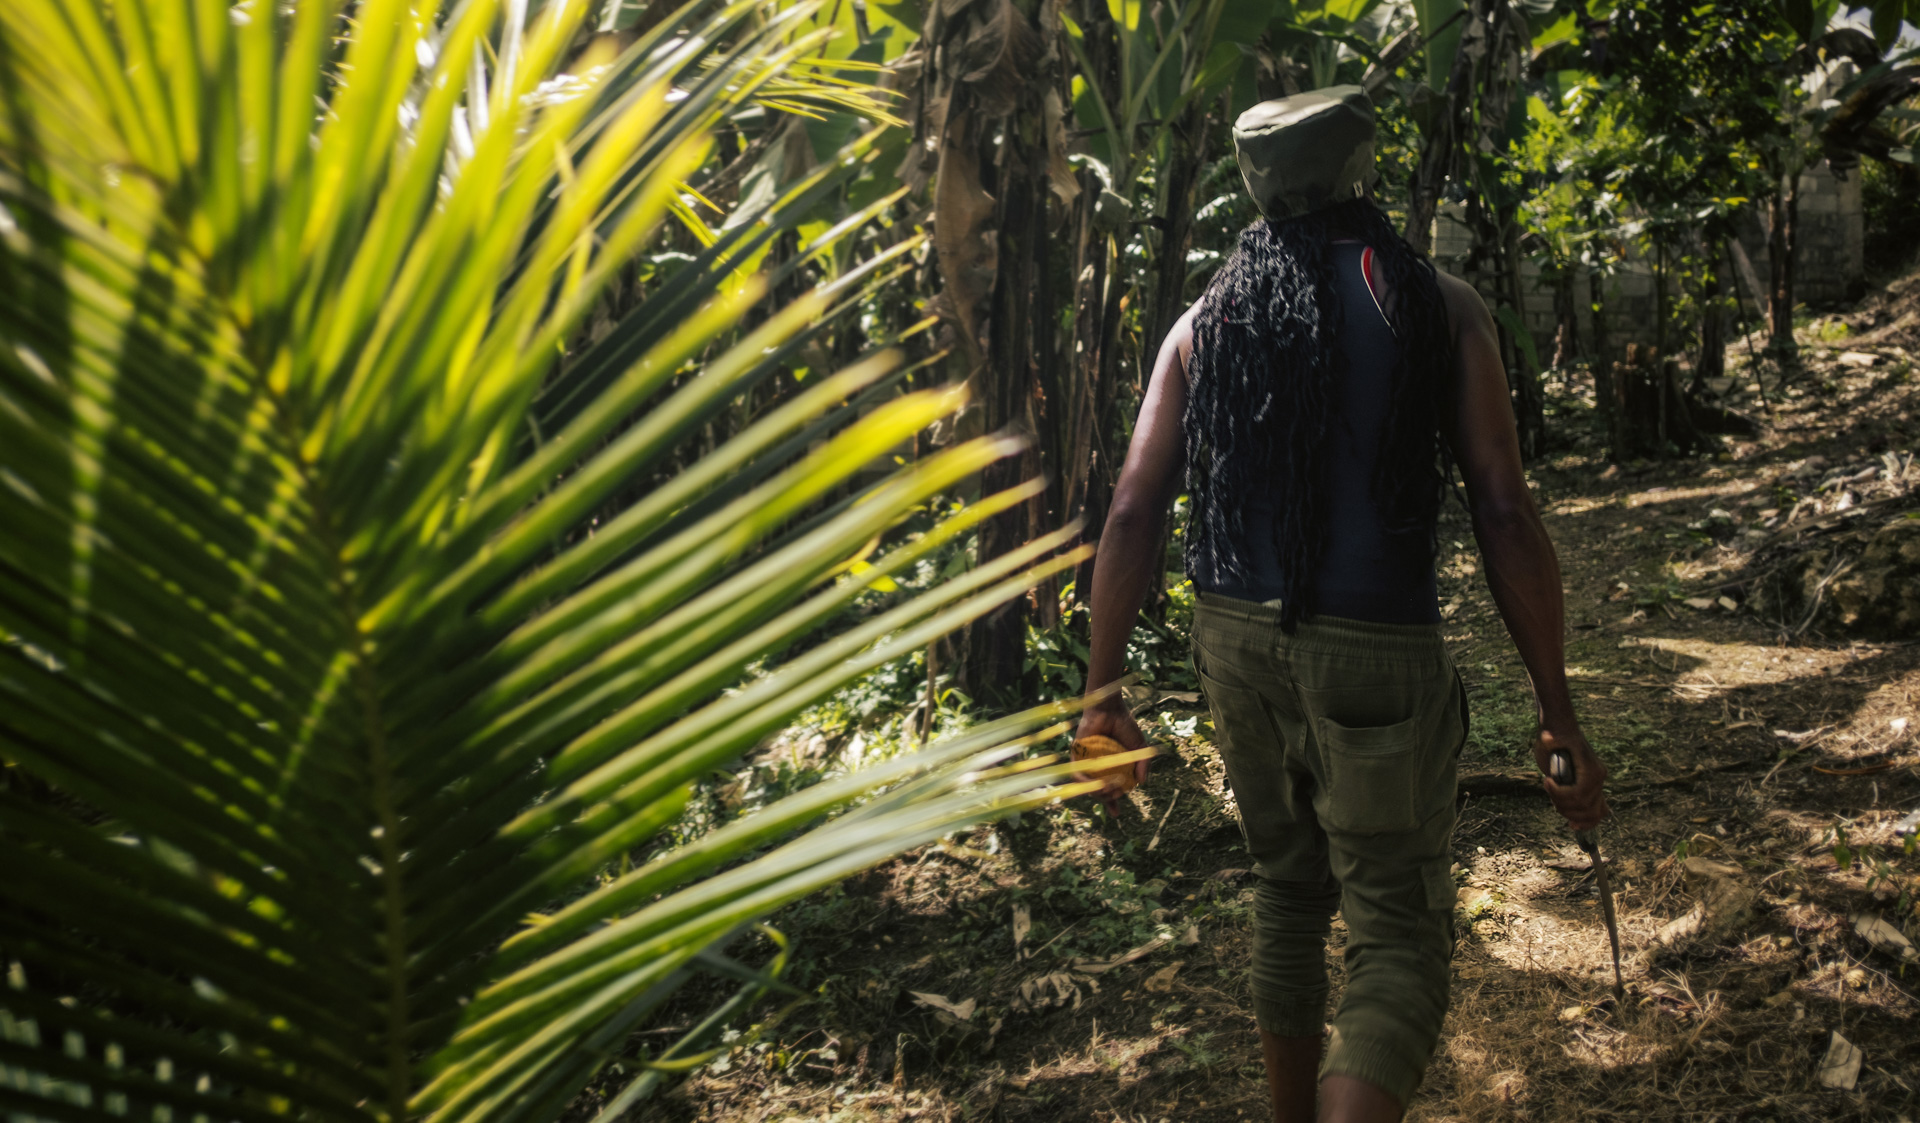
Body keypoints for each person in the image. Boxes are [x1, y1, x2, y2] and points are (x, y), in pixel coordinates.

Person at [1073, 87, 1610, 1123]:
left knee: (1286, 888)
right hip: (1379, 648)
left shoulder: (1202, 322)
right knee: (1398, 935)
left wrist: (1101, 689)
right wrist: (1557, 708)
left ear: (1253, 184)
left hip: (1233, 640)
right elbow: (1503, 511)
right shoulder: (1433, 302)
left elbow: (1134, 513)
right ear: (1365, 166)